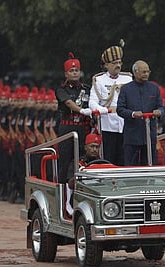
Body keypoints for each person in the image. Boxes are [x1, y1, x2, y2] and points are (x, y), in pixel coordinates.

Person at [89, 43, 133, 165]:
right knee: (108, 160)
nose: (118, 65)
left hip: (125, 125)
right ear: (106, 65)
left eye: (119, 62)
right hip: (108, 125)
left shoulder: (128, 79)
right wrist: (100, 109)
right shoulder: (99, 80)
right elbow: (92, 102)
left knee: (125, 160)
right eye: (114, 63)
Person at [116, 60, 165, 166]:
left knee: (149, 165)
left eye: (148, 72)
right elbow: (120, 109)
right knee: (130, 166)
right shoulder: (126, 89)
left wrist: (159, 112)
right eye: (143, 72)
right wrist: (132, 114)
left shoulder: (154, 88)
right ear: (135, 72)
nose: (146, 74)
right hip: (132, 135)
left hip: (149, 135)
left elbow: (161, 107)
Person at [55, 52, 92, 183]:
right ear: (66, 74)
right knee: (65, 162)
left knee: (83, 159)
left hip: (83, 127)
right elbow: (68, 103)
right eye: (71, 70)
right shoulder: (62, 89)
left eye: (77, 70)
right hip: (67, 128)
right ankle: (63, 195)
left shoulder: (87, 89)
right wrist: (82, 110)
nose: (75, 73)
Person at [66, 133, 102, 215]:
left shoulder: (103, 164)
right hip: (81, 198)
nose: (94, 150)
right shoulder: (77, 163)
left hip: (99, 197)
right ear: (86, 148)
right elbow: (70, 185)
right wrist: (82, 174)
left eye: (97, 147)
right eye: (92, 146)